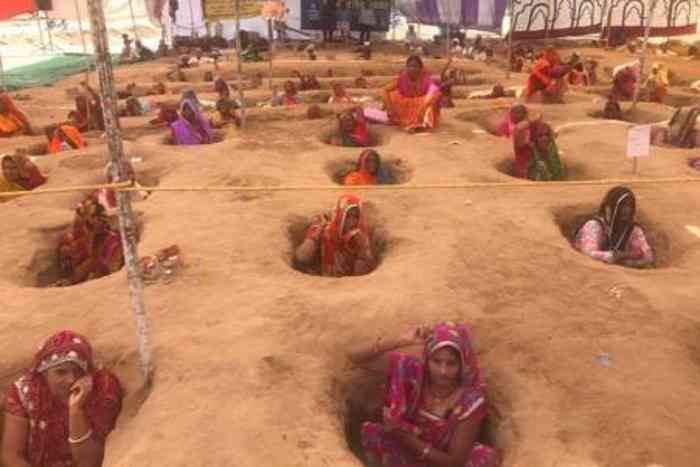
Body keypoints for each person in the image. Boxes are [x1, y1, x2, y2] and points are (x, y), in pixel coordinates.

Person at [348, 321, 500, 467]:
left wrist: (405, 436)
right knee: (373, 434)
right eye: (436, 361)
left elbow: (455, 462)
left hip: (443, 462)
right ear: (427, 359)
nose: (443, 371)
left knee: (483, 458)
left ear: (462, 364)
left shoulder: (470, 400)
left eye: (451, 363)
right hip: (405, 451)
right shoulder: (412, 371)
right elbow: (355, 356)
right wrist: (401, 340)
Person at [1, 330, 123, 467]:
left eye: (78, 371)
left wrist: (75, 411)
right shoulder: (25, 392)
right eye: (60, 372)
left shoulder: (101, 389)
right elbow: (11, 456)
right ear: (44, 373)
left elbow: (90, 463)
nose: (71, 379)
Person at [574, 186, 655, 268]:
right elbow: (588, 253)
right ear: (609, 208)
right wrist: (617, 255)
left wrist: (622, 259)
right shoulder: (594, 226)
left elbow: (647, 256)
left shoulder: (632, 230)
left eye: (630, 206)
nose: (627, 210)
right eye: (622, 205)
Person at [295, 194, 374, 277]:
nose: (351, 222)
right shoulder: (324, 227)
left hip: (348, 282)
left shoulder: (360, 235)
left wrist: (362, 251)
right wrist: (317, 234)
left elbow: (361, 277)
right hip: (321, 280)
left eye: (355, 217)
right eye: (347, 216)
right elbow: (301, 257)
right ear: (340, 215)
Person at [56, 196, 125, 285]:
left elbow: (112, 268)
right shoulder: (81, 236)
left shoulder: (112, 240)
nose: (87, 222)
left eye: (101, 219)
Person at [501, 104, 563, 180]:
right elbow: (517, 130)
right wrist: (532, 121)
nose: (544, 138)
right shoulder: (524, 147)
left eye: (547, 135)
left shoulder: (551, 152)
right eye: (540, 136)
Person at [383, 55, 441, 133]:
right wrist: (389, 107)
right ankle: (400, 120)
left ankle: (421, 125)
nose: (412, 69)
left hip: (421, 107)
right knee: (393, 96)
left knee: (433, 100)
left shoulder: (426, 79)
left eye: (415, 66)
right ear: (406, 68)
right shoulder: (402, 78)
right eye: (409, 66)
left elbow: (435, 91)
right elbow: (386, 90)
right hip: (406, 107)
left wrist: (424, 106)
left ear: (420, 68)